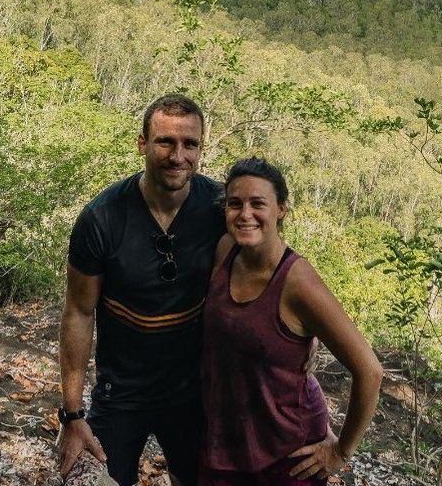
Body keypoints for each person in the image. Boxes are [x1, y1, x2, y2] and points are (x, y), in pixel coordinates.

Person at [59, 93, 225, 486]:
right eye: (166, 141)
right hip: (122, 391)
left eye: (190, 144)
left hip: (192, 391)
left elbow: (266, 268)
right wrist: (72, 414)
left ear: (201, 148)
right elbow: (79, 312)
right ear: (143, 143)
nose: (177, 155)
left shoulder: (220, 208)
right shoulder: (102, 219)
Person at [200, 158, 383, 486]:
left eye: (258, 204)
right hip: (224, 443)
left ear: (281, 209)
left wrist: (341, 452)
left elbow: (370, 371)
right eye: (235, 204)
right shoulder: (226, 250)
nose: (245, 215)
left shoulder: (297, 282)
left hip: (287, 453)